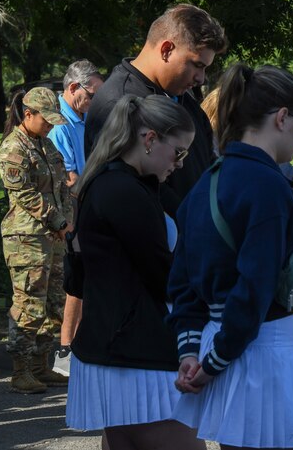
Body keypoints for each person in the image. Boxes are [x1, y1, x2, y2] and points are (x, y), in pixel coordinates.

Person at [167, 63, 293, 450]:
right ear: (281, 118)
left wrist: (192, 354)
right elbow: (253, 288)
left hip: (224, 350)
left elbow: (182, 285)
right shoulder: (267, 186)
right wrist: (211, 363)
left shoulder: (207, 181)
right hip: (259, 357)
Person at [65, 95, 204, 450]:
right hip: (135, 354)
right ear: (149, 139)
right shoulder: (122, 189)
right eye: (179, 152)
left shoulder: (129, 185)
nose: (180, 163)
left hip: (122, 350)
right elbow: (163, 275)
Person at [84, 3, 228, 217]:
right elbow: (131, 192)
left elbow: (207, 163)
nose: (201, 79)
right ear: (167, 50)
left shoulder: (183, 99)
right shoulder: (117, 103)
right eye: (197, 65)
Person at [0, 87, 73, 394]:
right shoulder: (13, 149)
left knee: (53, 303)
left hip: (53, 237)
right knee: (29, 303)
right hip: (26, 239)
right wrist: (57, 220)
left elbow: (63, 185)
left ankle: (42, 365)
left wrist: (65, 221)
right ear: (28, 114)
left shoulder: (45, 145)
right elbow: (25, 195)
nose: (51, 126)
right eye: (46, 120)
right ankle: (21, 371)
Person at [48, 59, 104, 377]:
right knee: (75, 281)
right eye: (93, 95)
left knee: (84, 277)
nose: (96, 102)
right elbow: (70, 180)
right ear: (73, 88)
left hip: (84, 207)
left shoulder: (81, 119)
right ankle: (66, 350)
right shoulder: (60, 125)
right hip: (70, 213)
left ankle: (77, 346)